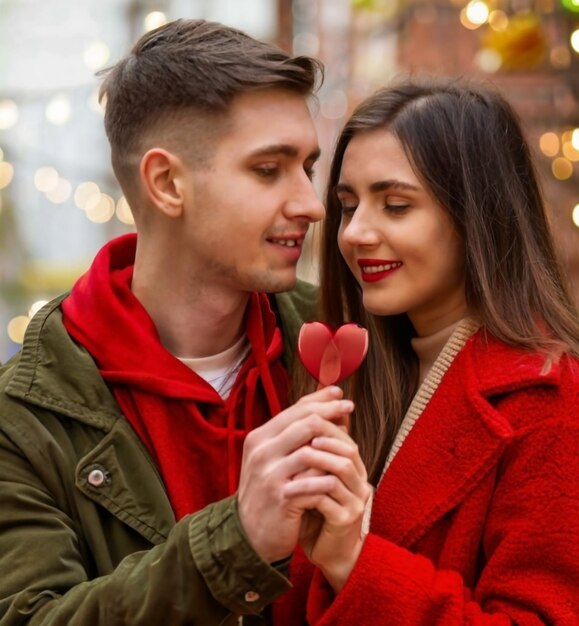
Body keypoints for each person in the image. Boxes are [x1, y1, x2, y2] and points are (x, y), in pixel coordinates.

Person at [0, 19, 368, 625]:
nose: (308, 203)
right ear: (167, 183)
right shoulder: (25, 419)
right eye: (268, 169)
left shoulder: (350, 342)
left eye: (307, 167)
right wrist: (237, 540)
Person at [273, 77, 579, 625]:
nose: (355, 233)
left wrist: (354, 560)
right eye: (348, 205)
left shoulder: (558, 404)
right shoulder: (361, 376)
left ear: (476, 216)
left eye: (394, 205)